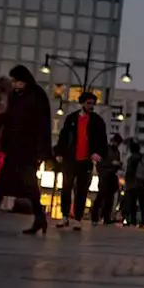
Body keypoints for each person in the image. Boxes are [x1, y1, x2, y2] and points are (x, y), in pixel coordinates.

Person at [0, 65, 52, 234]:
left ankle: (39, 218)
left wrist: (43, 151)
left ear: (24, 80)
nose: (15, 84)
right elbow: (11, 117)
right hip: (14, 147)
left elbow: (43, 124)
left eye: (17, 81)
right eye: (14, 81)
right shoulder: (15, 96)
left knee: (29, 185)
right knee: (4, 183)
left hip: (29, 148)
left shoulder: (37, 96)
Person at [53, 91, 107, 230]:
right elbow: (63, 137)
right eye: (88, 103)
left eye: (93, 103)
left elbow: (102, 140)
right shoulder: (71, 119)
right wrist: (59, 152)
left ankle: (77, 218)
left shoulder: (97, 121)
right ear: (82, 103)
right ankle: (65, 216)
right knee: (66, 188)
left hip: (86, 160)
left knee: (82, 190)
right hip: (70, 159)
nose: (91, 106)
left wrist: (98, 154)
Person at [91, 133, 123, 225]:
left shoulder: (116, 152)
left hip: (112, 175)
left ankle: (106, 217)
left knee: (110, 199)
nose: (117, 145)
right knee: (100, 196)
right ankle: (95, 217)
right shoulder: (105, 150)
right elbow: (100, 163)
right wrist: (111, 163)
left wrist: (117, 165)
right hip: (104, 175)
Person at [124, 138, 144, 228]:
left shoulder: (131, 158)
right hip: (141, 184)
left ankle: (133, 221)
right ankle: (143, 222)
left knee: (132, 203)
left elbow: (129, 172)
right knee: (142, 203)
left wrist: (127, 183)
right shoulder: (142, 157)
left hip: (133, 184)